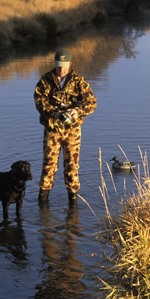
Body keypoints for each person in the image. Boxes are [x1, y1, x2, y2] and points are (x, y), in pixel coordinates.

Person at [34, 49, 97, 207]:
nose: (61, 70)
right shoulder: (45, 80)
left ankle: (73, 203)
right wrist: (54, 113)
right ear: (54, 64)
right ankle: (42, 203)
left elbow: (92, 103)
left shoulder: (79, 81)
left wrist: (77, 111)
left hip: (72, 132)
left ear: (70, 64)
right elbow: (39, 101)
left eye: (63, 66)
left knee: (72, 166)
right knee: (48, 165)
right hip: (52, 130)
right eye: (58, 66)